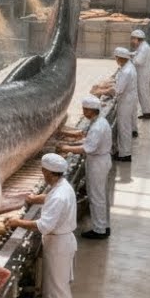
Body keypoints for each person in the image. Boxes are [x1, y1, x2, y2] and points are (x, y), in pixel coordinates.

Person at [6, 153, 77, 298]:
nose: (42, 174)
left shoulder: (60, 194)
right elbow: (51, 197)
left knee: (56, 291)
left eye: (44, 171)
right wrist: (35, 198)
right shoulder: (62, 186)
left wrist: (17, 222)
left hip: (58, 245)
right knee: (60, 290)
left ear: (50, 173)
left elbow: (44, 225)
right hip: (62, 242)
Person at [59, 95, 112, 239]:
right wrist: (74, 142)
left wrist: (66, 148)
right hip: (101, 160)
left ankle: (99, 230)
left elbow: (87, 148)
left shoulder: (97, 127)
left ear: (91, 110)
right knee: (101, 195)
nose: (83, 112)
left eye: (84, 109)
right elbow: (89, 142)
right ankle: (104, 225)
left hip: (97, 163)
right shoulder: (99, 122)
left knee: (96, 197)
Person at [112, 47, 137, 162]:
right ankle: (123, 152)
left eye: (116, 58)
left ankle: (125, 154)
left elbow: (118, 90)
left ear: (120, 58)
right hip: (128, 100)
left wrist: (102, 91)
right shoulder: (128, 67)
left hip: (126, 102)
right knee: (125, 127)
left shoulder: (127, 71)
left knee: (124, 128)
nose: (116, 60)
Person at [130, 29, 150, 120]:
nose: (132, 41)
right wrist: (130, 54)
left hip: (143, 75)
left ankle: (147, 113)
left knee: (143, 93)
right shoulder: (142, 46)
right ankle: (146, 112)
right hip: (142, 74)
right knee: (142, 93)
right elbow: (136, 54)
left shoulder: (144, 48)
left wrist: (130, 60)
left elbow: (139, 61)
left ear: (137, 39)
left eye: (133, 39)